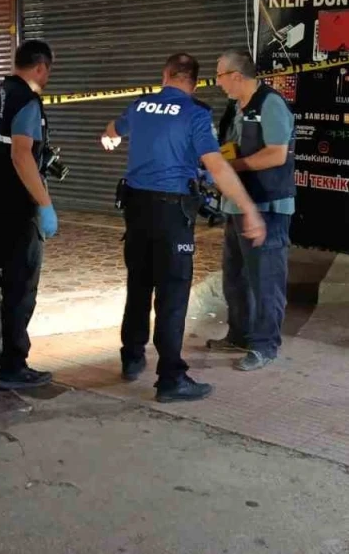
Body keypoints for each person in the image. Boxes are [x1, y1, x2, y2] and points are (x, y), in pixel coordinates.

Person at [101, 53, 266, 403]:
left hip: (136, 210)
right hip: (172, 214)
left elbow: (112, 130)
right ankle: (171, 379)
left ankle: (132, 359)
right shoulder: (195, 114)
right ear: (193, 82)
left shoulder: (141, 106)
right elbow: (216, 167)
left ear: (165, 75)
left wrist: (110, 137)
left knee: (138, 285)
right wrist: (248, 208)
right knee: (173, 294)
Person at [0, 39, 59, 391]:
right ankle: (13, 366)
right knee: (20, 288)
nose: (48, 76)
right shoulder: (27, 101)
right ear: (40, 67)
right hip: (16, 210)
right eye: (49, 70)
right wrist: (45, 204)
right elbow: (21, 155)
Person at [208, 49, 296, 372]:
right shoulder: (235, 107)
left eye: (219, 76)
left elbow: (276, 154)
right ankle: (239, 335)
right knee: (235, 278)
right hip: (236, 206)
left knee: (266, 281)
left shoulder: (271, 103)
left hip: (267, 207)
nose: (217, 83)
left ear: (236, 76)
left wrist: (233, 166)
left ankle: (265, 346)